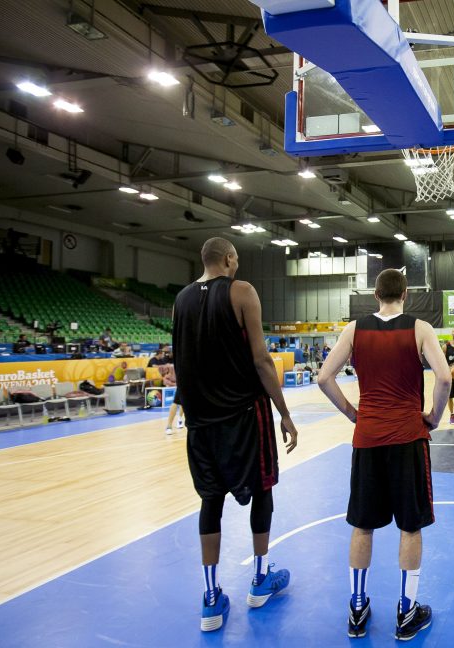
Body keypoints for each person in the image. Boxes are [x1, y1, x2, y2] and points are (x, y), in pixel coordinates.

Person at [173, 237, 299, 633]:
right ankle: (260, 580)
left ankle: (211, 600)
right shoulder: (242, 291)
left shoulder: (181, 299)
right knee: (263, 491)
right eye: (237, 259)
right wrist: (285, 413)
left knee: (210, 501)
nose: (238, 265)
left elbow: (182, 362)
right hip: (245, 416)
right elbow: (261, 359)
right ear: (227, 259)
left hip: (201, 424)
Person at [317, 269, 450, 641]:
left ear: (375, 295)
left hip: (368, 437)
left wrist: (352, 413)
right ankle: (407, 613)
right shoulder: (420, 329)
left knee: (363, 525)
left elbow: (324, 377)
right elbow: (443, 378)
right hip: (409, 437)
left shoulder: (354, 330)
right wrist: (434, 418)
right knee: (410, 526)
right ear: (405, 295)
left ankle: (357, 609)